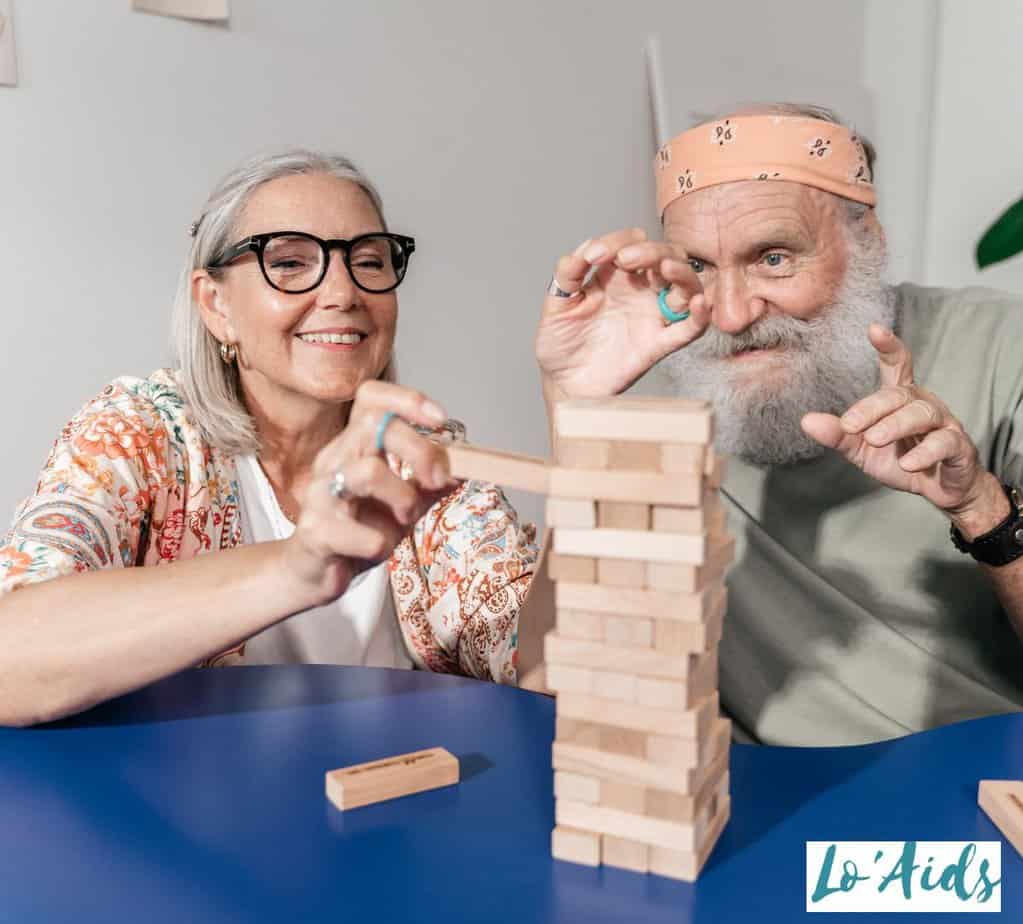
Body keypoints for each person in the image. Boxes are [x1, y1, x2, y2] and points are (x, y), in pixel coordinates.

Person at [534, 103, 1023, 746]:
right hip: (764, 804)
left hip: (971, 792)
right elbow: (550, 682)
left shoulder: (1003, 346)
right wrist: (571, 409)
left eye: (772, 258)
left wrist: (981, 507)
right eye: (701, 267)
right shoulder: (677, 403)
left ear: (867, 240)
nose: (733, 316)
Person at [0, 150, 538, 727]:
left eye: (369, 260)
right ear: (216, 305)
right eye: (289, 262)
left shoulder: (424, 462)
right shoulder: (139, 435)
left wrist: (582, 408)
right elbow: (14, 660)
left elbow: (544, 662)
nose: (342, 293)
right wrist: (293, 568)